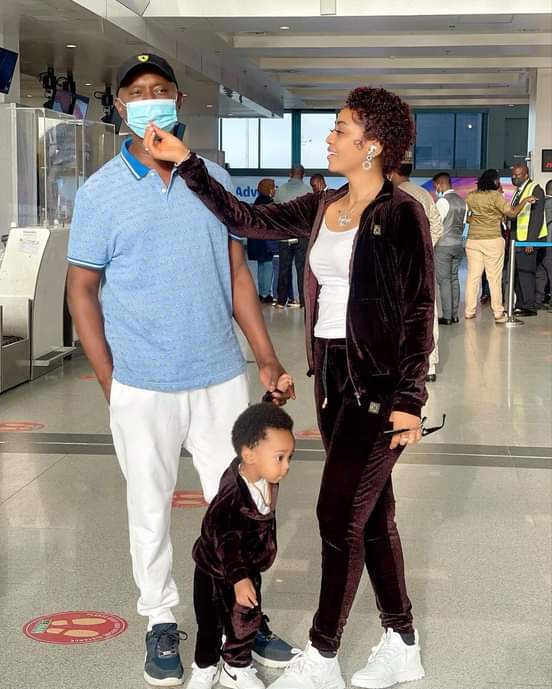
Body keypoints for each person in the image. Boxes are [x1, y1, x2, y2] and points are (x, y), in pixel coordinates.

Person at [144, 84, 435, 689]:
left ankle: (323, 655)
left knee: (336, 514)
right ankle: (402, 640)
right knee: (371, 514)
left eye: (340, 129)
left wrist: (410, 400)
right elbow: (245, 218)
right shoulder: (324, 205)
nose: (329, 137)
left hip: (379, 386)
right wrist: (187, 162)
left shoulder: (400, 213)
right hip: (332, 379)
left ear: (372, 145)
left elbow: (417, 310)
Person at [66, 53, 293, 687]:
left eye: (160, 89)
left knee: (244, 501)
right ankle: (161, 619)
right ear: (120, 107)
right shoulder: (100, 193)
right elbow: (81, 289)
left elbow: (237, 273)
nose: (150, 99)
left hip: (219, 374)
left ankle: (244, 612)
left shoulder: (210, 176)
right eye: (137, 92)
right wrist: (111, 380)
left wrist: (266, 356)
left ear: (178, 100)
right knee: (149, 505)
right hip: (143, 384)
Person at [187, 397, 295, 689]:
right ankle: (205, 666)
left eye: (289, 457)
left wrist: (270, 402)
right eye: (280, 458)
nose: (286, 466)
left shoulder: (260, 472)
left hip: (247, 567)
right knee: (209, 623)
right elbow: (225, 540)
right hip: (215, 571)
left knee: (244, 620)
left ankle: (235, 667)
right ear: (249, 455)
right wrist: (238, 578)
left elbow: (258, 429)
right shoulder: (231, 497)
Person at [389, 162, 442, 382]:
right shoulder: (423, 194)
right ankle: (429, 365)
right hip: (422, 264)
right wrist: (424, 248)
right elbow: (437, 226)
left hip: (394, 264)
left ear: (392, 173)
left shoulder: (389, 195)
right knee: (427, 312)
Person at [465, 169, 535, 323]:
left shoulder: (471, 196)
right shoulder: (495, 196)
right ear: (495, 181)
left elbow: (469, 218)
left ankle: (469, 311)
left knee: (473, 277)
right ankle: (498, 313)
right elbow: (512, 212)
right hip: (492, 240)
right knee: (494, 278)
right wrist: (525, 201)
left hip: (473, 241)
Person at [510, 164, 547, 316]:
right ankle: (520, 304)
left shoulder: (535, 189)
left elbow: (537, 218)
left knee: (526, 274)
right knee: (518, 274)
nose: (514, 177)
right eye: (513, 175)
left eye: (517, 175)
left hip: (527, 240)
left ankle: (529, 306)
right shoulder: (518, 191)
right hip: (518, 239)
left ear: (526, 175)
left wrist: (530, 241)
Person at [273, 165, 312, 309]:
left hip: (285, 235)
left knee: (284, 268)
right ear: (303, 175)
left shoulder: (281, 190)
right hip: (302, 235)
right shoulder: (308, 190)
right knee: (302, 270)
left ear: (290, 174)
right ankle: (303, 301)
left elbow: (276, 210)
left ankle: (281, 301)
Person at [432, 172, 466, 325]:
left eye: (435, 186)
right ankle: (455, 314)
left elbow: (436, 225)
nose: (435, 190)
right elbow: (464, 224)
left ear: (440, 184)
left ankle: (446, 316)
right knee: (454, 279)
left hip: (444, 246)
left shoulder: (442, 202)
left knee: (444, 280)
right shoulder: (462, 201)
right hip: (458, 244)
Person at [247, 179, 276, 303]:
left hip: (256, 239)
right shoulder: (269, 203)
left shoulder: (257, 202)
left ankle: (261, 292)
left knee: (261, 266)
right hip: (266, 240)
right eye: (273, 187)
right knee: (268, 266)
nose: (275, 190)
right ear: (268, 189)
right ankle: (266, 294)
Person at [536, 179, 552, 311]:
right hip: (550, 243)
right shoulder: (550, 204)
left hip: (539, 243)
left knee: (541, 273)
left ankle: (538, 300)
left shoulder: (540, 204)